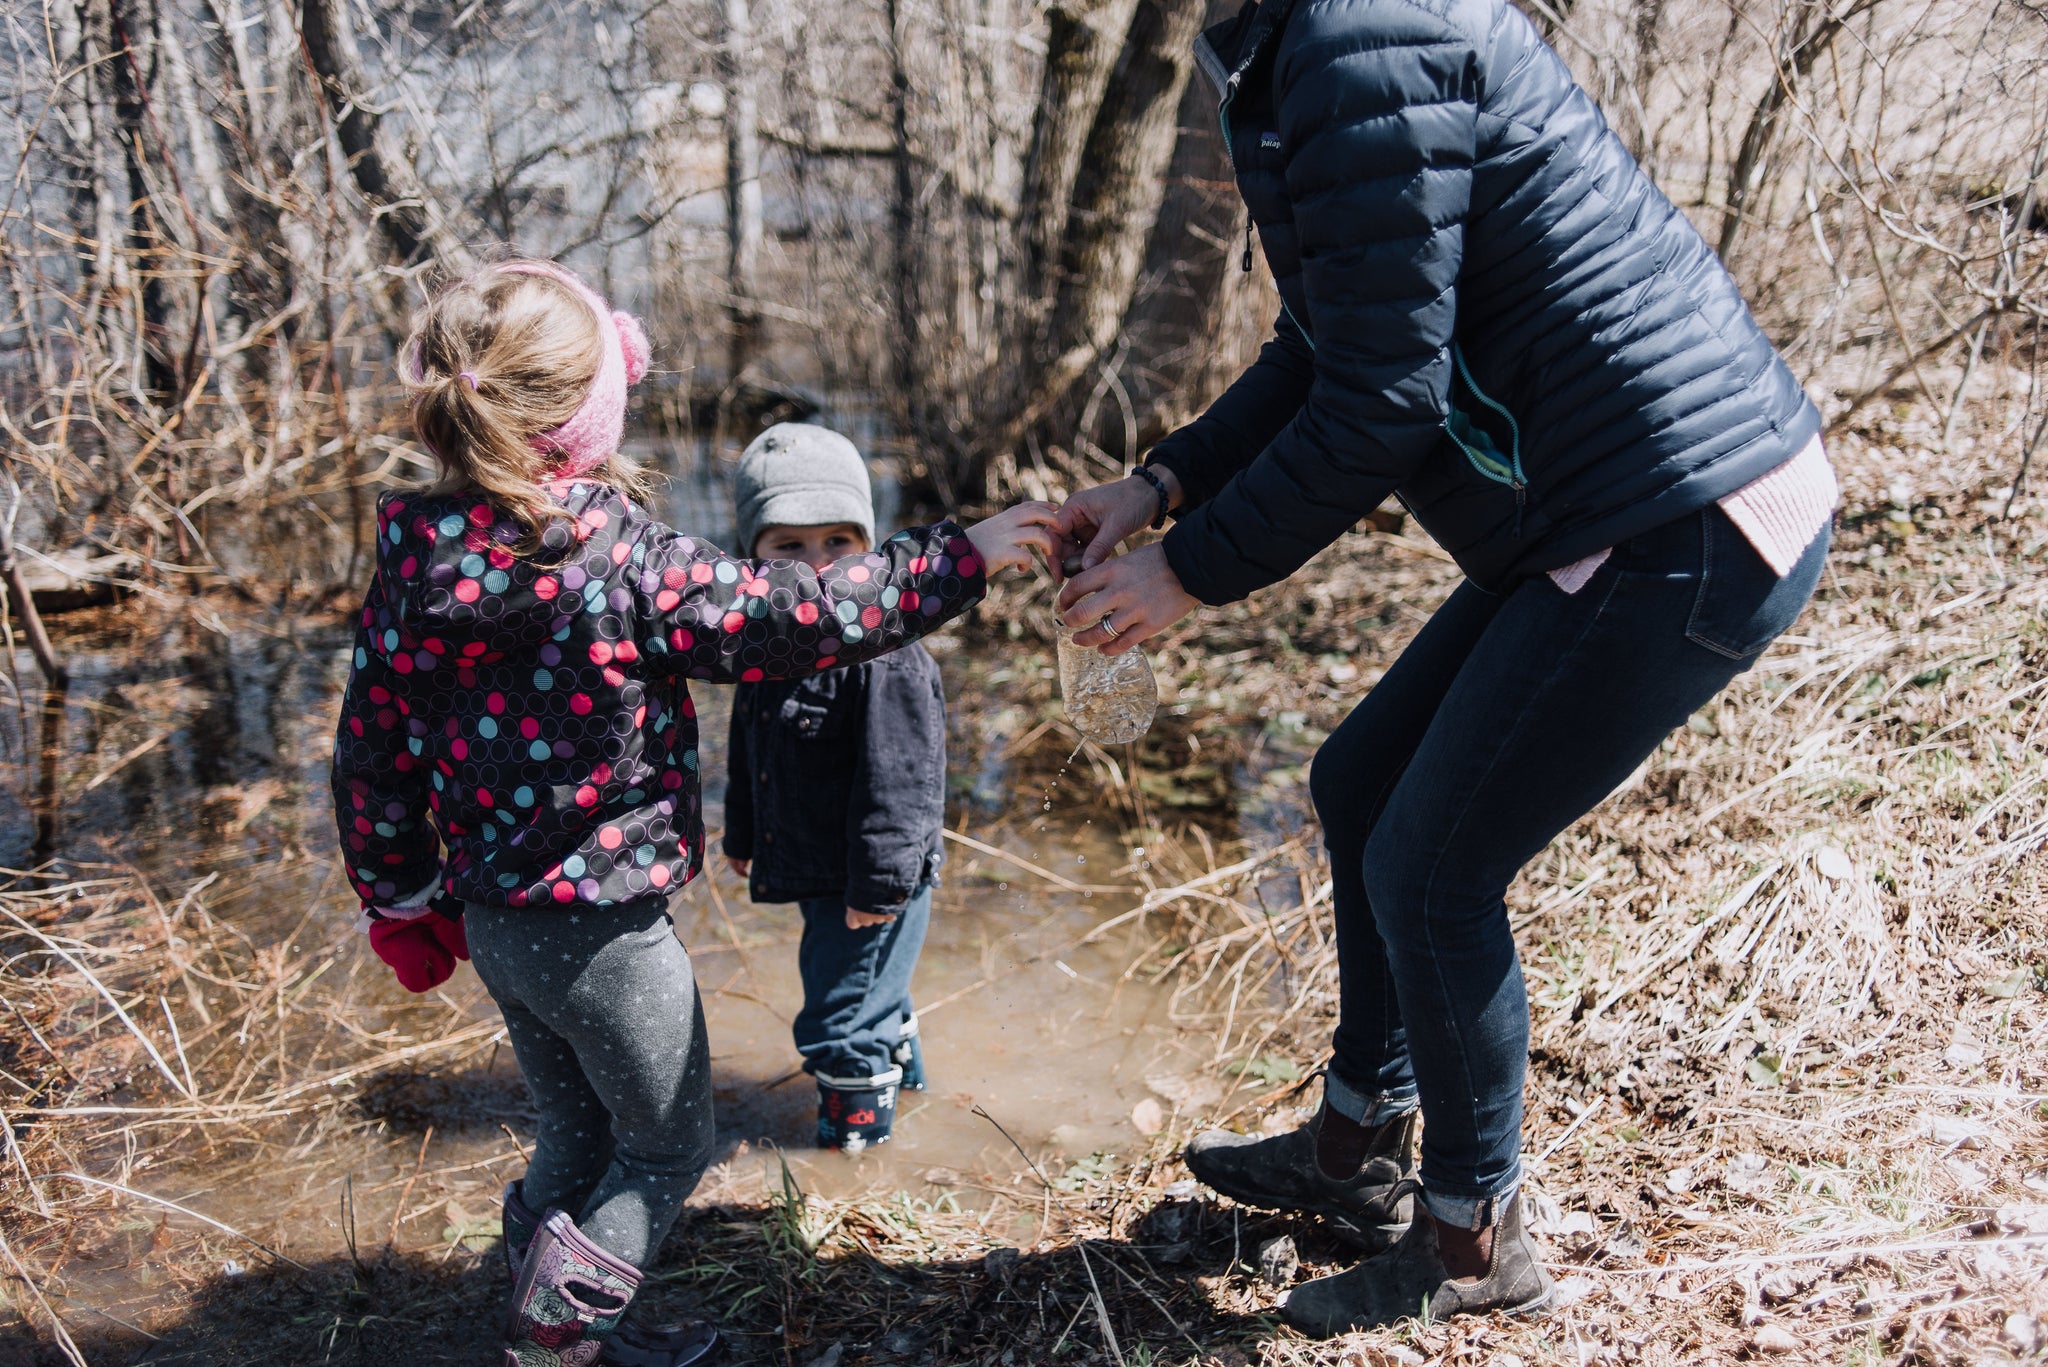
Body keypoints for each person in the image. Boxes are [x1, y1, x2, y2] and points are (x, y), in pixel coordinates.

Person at [1053, 0, 1836, 1334]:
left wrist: (1186, 569)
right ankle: (1355, 1146)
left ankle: (1472, 1241)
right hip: (1603, 509)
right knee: (1360, 784)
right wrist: (1162, 481)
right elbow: (1326, 344)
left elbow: (1381, 403)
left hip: (1688, 516)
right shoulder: (1288, 44)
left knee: (1430, 867)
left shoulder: (1357, 37)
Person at [330, 259, 1061, 1367]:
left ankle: (530, 1293)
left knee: (575, 1129)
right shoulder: (620, 555)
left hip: (495, 923)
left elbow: (370, 752)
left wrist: (400, 897)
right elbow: (796, 614)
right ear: (594, 412)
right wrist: (958, 555)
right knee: (670, 1148)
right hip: (608, 934)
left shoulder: (411, 561)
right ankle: (559, 1331)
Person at [720, 423, 944, 1153]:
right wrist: (743, 832)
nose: (817, 566)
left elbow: (903, 785)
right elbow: (750, 744)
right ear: (750, 556)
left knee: (839, 1022)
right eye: (789, 546)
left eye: (838, 542)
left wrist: (879, 890)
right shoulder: (767, 643)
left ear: (870, 547)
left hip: (871, 878)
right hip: (823, 869)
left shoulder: (886, 653)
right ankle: (912, 1094)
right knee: (869, 994)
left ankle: (856, 1157)